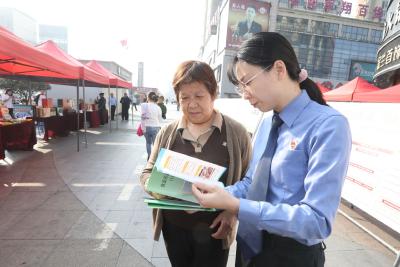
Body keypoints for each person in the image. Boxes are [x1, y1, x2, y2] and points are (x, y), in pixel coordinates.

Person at [191, 32, 352, 267]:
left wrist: (236, 206)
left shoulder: (329, 125)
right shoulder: (267, 121)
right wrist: (220, 192)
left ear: (278, 69)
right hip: (250, 242)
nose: (245, 94)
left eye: (247, 82)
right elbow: (251, 182)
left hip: (290, 254)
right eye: (240, 87)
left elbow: (316, 221)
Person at [140, 60, 252, 267]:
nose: (191, 104)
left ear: (214, 94)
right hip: (174, 227)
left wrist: (231, 212)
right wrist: (166, 190)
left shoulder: (237, 133)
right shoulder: (167, 133)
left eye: (199, 96)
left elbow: (250, 180)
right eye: (184, 98)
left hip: (217, 229)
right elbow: (147, 174)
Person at [140, 92, 162, 159]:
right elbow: (159, 119)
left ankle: (149, 156)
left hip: (146, 127)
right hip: (156, 127)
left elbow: (142, 117)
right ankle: (154, 157)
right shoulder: (158, 107)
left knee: (148, 143)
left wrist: (142, 128)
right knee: (155, 144)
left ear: (148, 97)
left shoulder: (144, 106)